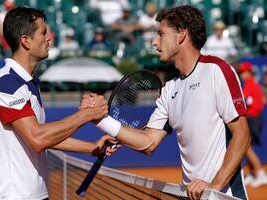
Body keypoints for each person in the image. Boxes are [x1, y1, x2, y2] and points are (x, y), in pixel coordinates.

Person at [82, 5, 251, 200]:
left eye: (161, 34)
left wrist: (213, 188)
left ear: (181, 34)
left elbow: (242, 136)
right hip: (192, 195)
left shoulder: (217, 70)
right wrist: (100, 119)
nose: (154, 42)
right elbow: (148, 142)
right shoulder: (170, 88)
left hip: (223, 195)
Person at [0, 7, 117, 200]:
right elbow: (38, 139)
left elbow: (43, 136)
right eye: (43, 32)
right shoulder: (6, 83)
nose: (49, 37)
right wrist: (87, 114)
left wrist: (92, 148)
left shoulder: (27, 82)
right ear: (25, 41)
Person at [237, 62, 267, 188]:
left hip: (253, 118)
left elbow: (247, 101)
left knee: (246, 148)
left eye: (244, 72)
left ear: (249, 72)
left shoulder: (251, 84)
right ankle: (252, 174)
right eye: (241, 72)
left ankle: (261, 174)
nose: (242, 75)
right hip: (252, 118)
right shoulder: (250, 84)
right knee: (246, 147)